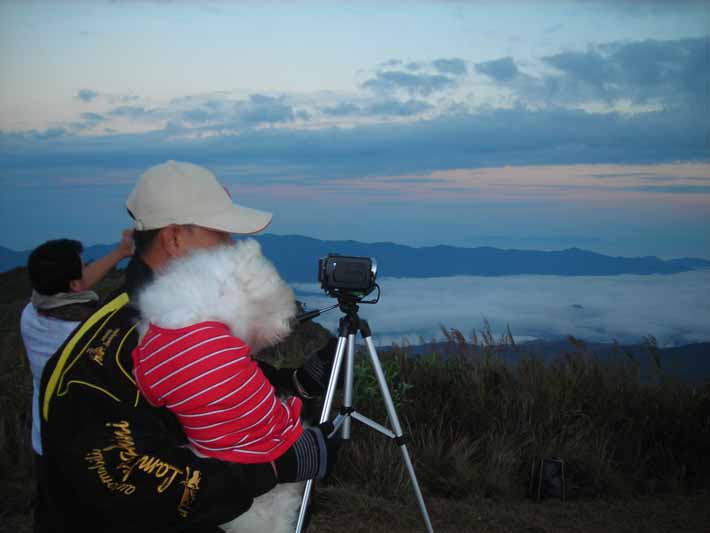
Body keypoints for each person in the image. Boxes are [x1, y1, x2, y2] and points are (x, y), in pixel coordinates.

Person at [37, 160, 338, 533]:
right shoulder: (107, 359)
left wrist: (292, 383)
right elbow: (130, 483)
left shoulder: (180, 318)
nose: (232, 246)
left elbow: (212, 382)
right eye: (221, 234)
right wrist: (275, 468)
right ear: (175, 239)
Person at [21, 233, 134, 457]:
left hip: (44, 440)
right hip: (82, 449)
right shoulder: (87, 333)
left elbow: (77, 284)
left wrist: (120, 252)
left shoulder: (30, 313)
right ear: (73, 284)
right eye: (84, 266)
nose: (88, 269)